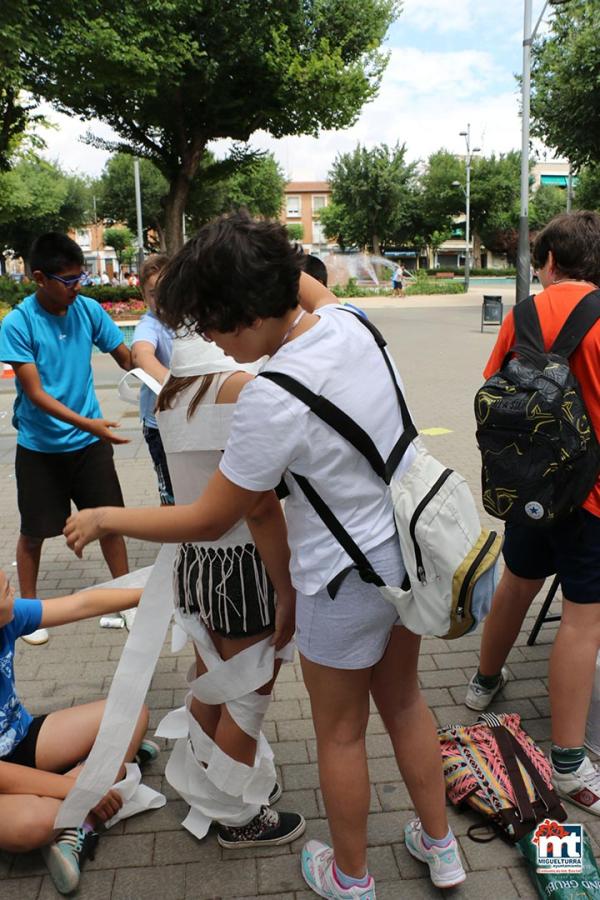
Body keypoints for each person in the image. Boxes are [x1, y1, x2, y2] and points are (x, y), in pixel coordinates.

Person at [64, 212, 466, 896]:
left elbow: (213, 515)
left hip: (338, 585)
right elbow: (306, 285)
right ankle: (443, 847)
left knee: (339, 735)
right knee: (404, 703)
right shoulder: (352, 323)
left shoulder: (269, 398)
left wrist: (106, 514)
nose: (213, 342)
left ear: (245, 314)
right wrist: (245, 245)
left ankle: (351, 877)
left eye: (213, 324)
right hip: (408, 558)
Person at [464, 211, 600, 816]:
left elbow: (495, 386)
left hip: (528, 489)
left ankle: (483, 683)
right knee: (582, 618)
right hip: (593, 497)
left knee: (518, 583)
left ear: (547, 261)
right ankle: (570, 763)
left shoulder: (522, 316)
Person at [150, 331, 303, 847]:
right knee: (246, 693)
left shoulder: (171, 386)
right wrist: (286, 588)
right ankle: (236, 816)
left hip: (195, 560)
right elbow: (259, 506)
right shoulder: (237, 385)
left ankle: (208, 785)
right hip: (243, 564)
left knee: (213, 678)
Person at [0, 232, 132, 646]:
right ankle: (29, 612)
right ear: (39, 278)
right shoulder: (18, 323)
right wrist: (89, 424)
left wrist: (158, 373)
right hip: (41, 448)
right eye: (69, 281)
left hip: (89, 446)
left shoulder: (88, 310)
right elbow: (35, 395)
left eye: (82, 279)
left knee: (111, 524)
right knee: (33, 532)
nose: (78, 288)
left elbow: (126, 358)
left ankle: (125, 599)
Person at [0, 570, 157, 894]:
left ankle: (87, 792)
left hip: (21, 741)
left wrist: (153, 593)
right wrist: (81, 789)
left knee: (130, 711)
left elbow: (81, 604)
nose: (6, 581)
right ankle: (93, 798)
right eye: (1, 588)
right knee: (33, 825)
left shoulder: (8, 615)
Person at [131, 255, 175, 505]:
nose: (163, 300)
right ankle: (176, 541)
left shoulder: (192, 318)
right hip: (159, 424)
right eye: (155, 293)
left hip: (191, 418)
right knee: (170, 491)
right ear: (144, 296)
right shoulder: (150, 324)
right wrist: (175, 385)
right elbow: (141, 354)